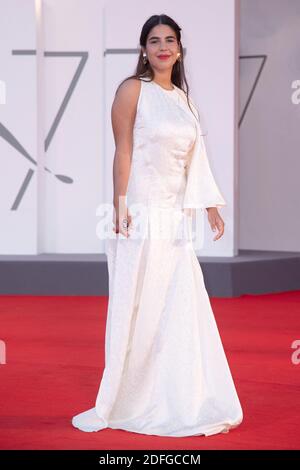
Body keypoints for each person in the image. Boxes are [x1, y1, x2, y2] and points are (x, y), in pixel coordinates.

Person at [72, 14, 243, 437]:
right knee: (138, 305)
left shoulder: (185, 102)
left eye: (169, 40)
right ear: (143, 49)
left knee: (179, 305)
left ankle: (180, 397)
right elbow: (124, 151)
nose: (162, 47)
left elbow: (194, 161)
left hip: (176, 221)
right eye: (154, 40)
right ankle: (127, 398)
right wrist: (120, 204)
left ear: (179, 48)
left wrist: (209, 208)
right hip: (142, 215)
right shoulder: (133, 91)